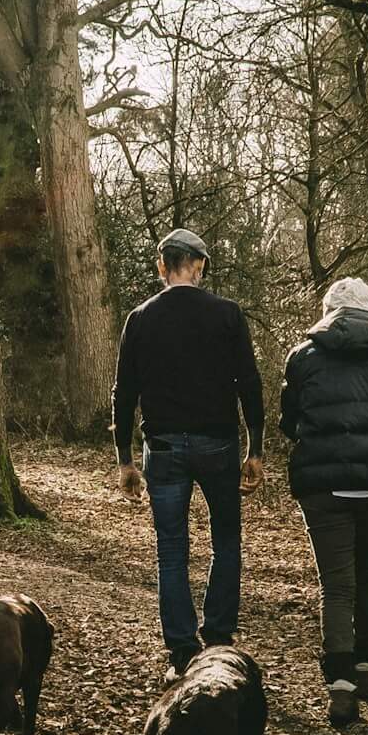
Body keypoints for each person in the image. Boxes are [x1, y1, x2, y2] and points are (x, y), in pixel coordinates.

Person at [113, 228, 266, 678]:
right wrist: (255, 449)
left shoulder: (140, 319)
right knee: (226, 541)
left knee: (172, 551)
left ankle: (182, 654)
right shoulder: (227, 315)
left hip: (161, 448)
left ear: (163, 266)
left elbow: (125, 394)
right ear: (198, 266)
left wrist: (124, 459)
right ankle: (218, 639)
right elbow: (250, 385)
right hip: (218, 443)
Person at [278, 277, 368, 727]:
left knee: (336, 582)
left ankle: (340, 685)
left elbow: (289, 420)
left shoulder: (303, 357)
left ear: (328, 311)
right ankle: (367, 667)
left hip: (323, 482)